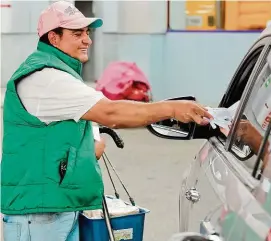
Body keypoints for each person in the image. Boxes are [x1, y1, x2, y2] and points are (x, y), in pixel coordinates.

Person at [1, 1, 213, 240]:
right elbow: (111, 113)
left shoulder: (60, 74)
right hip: (39, 215)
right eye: (77, 33)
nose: (87, 40)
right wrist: (171, 109)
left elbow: (89, 137)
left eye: (87, 33)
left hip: (57, 209)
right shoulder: (46, 77)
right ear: (54, 38)